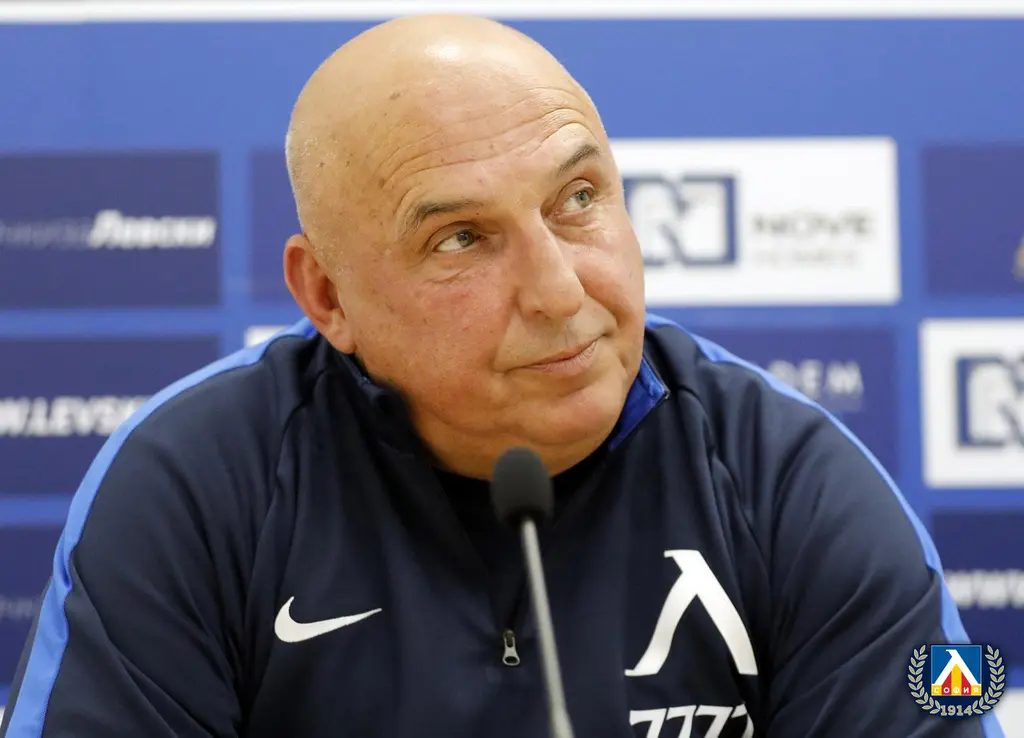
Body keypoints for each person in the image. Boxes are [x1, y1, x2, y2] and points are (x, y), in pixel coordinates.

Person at [0, 14, 1004, 738]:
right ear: (328, 297)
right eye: (461, 239)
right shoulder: (196, 482)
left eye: (579, 198)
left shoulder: (785, 476)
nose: (560, 290)